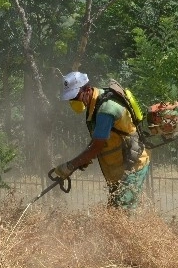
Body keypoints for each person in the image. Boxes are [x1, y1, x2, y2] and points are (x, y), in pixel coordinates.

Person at [53, 71, 150, 209]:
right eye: (71, 99)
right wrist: (83, 160)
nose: (74, 101)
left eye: (75, 97)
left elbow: (97, 147)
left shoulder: (106, 109)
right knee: (113, 213)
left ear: (87, 89)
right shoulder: (95, 102)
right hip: (119, 168)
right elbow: (98, 139)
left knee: (122, 214)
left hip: (132, 165)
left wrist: (70, 166)